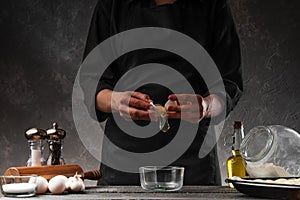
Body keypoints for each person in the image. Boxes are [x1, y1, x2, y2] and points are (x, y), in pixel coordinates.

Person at [82, 0, 243, 185]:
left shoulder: (214, 5)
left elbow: (229, 83)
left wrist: (205, 106)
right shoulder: (112, 4)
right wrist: (115, 101)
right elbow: (92, 83)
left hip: (193, 160)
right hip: (124, 160)